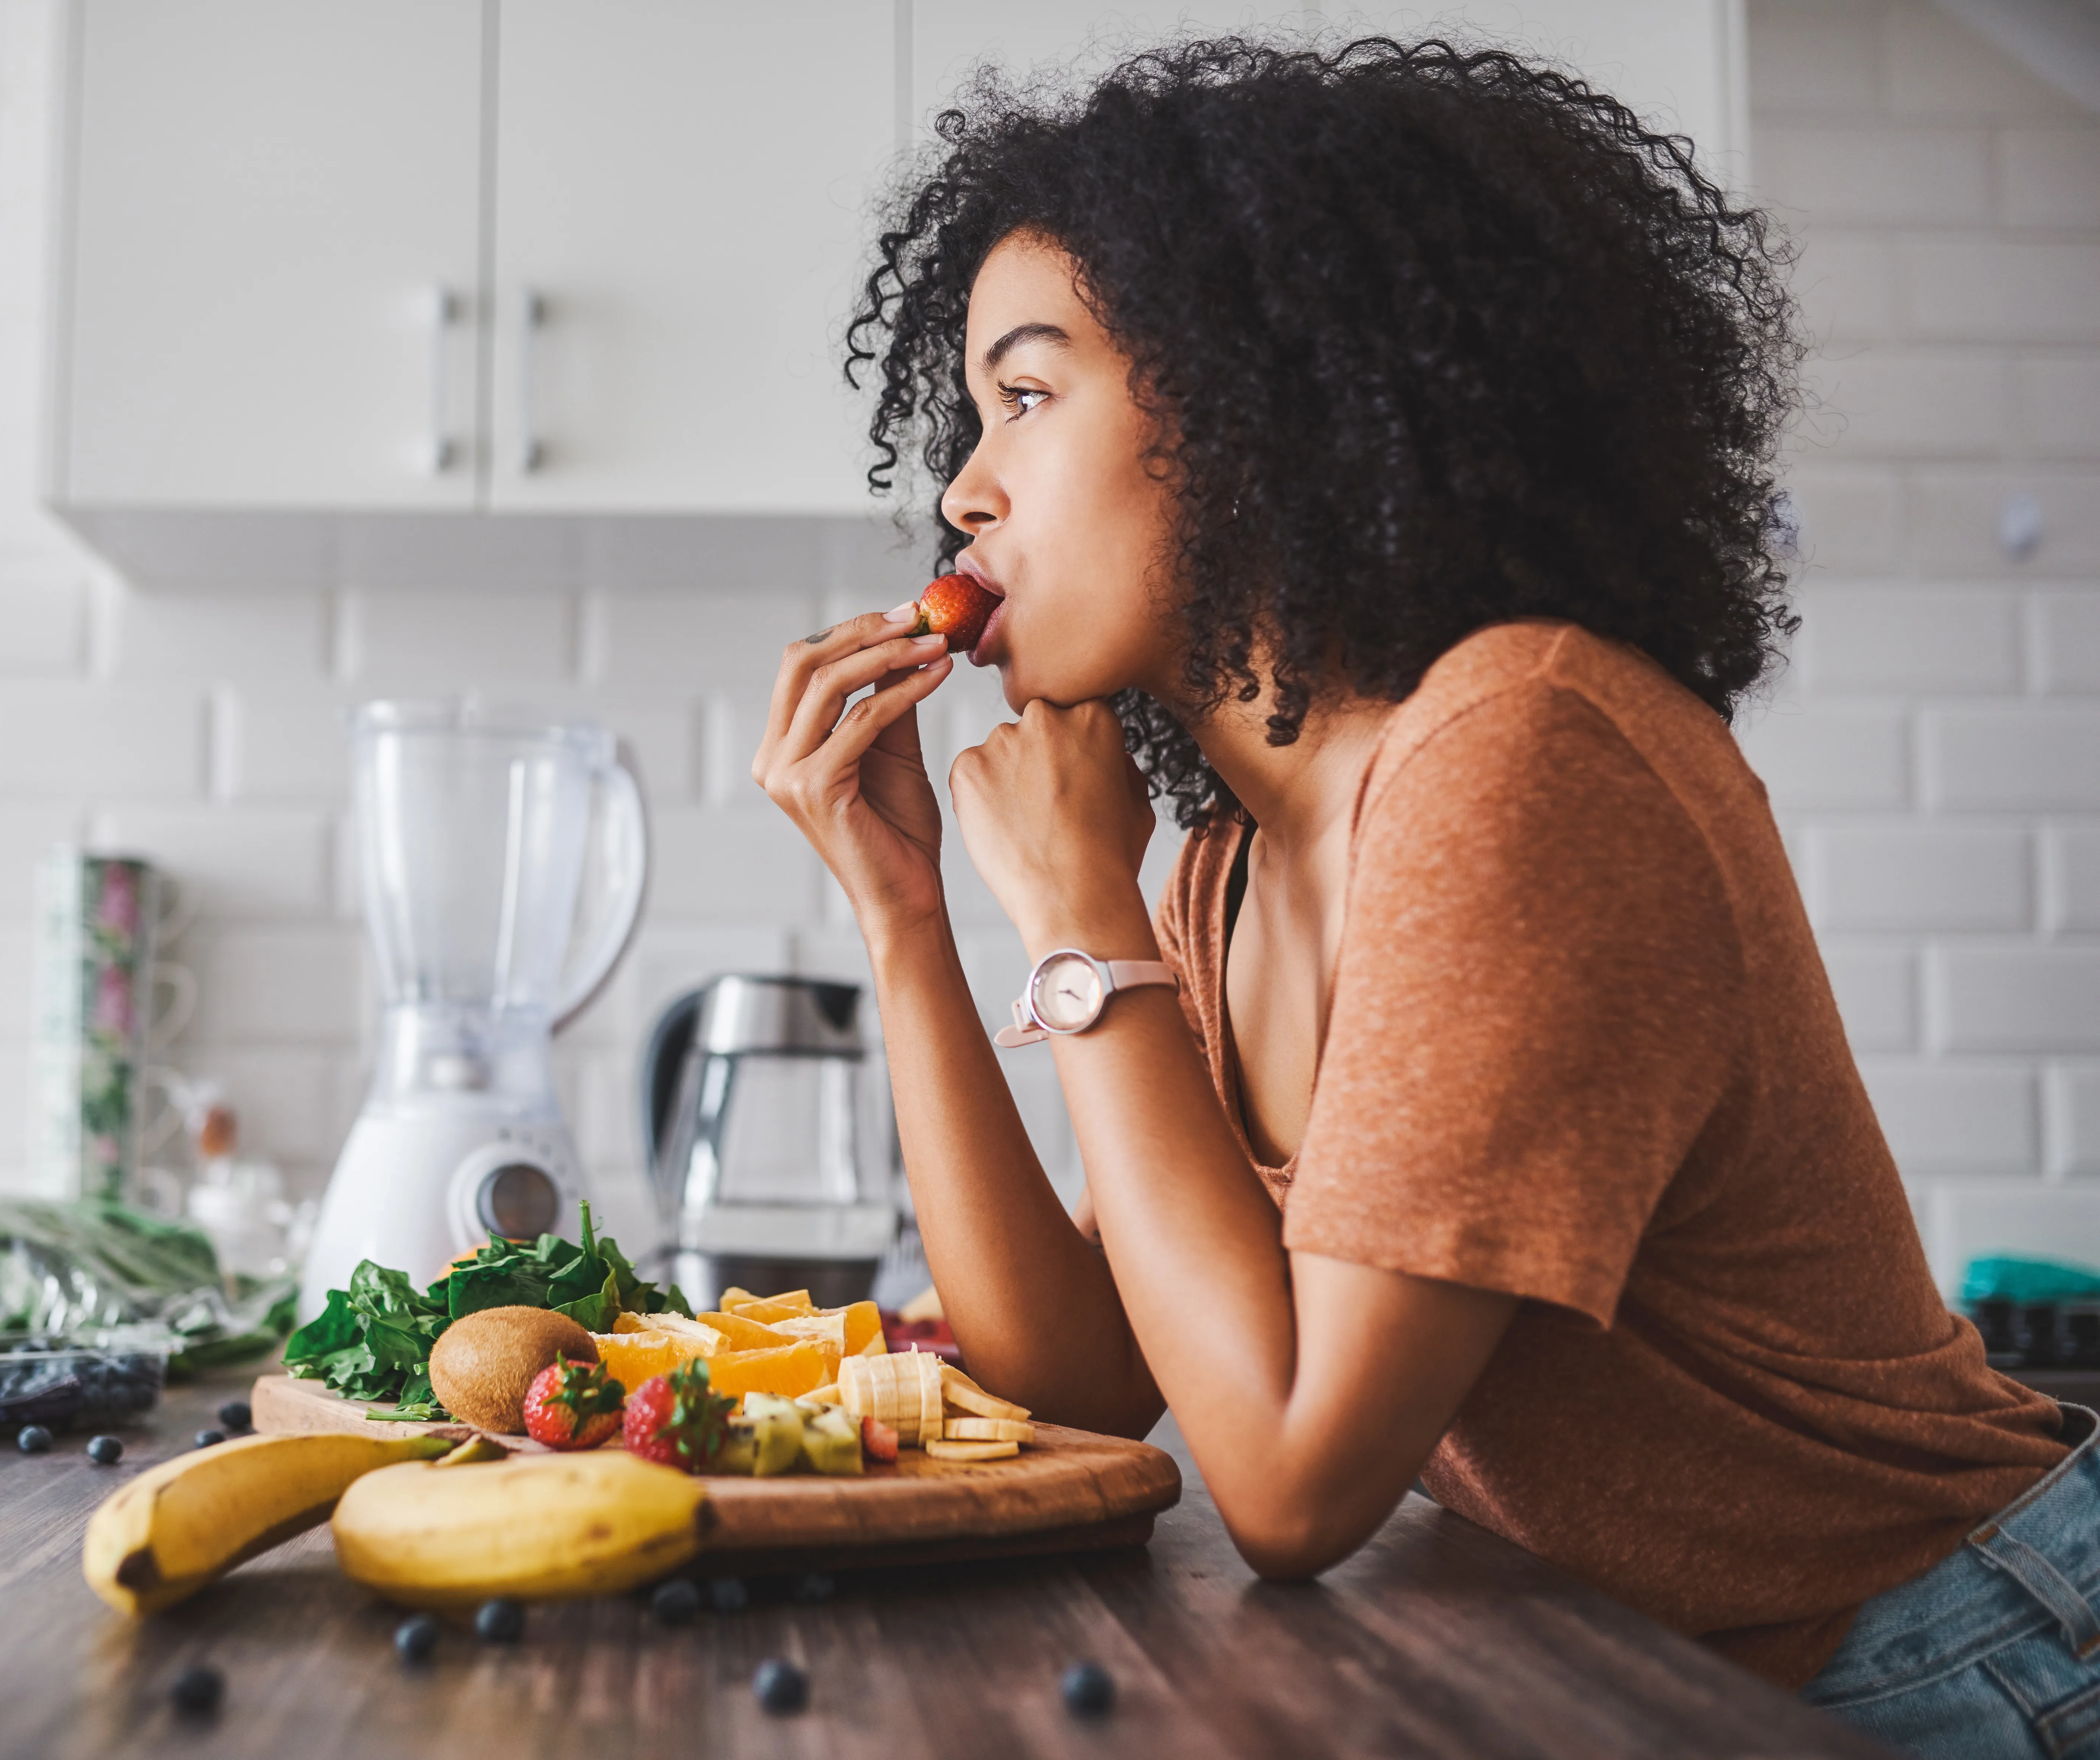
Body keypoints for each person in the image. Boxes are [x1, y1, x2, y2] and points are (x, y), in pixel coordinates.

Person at [754, 37, 2090, 1757]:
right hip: (1661, 1674)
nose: (964, 488)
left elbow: (1295, 1483)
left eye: (1027, 396)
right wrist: (909, 919)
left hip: (1976, 1665)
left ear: (1255, 403)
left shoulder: (1517, 754)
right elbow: (1079, 1383)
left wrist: (1084, 919)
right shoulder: (1236, 858)